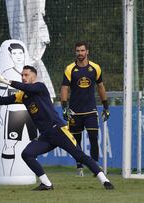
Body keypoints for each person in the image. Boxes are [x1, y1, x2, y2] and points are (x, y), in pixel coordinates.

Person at [0, 65, 114, 190]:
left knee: (80, 156)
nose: (23, 77)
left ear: (34, 76)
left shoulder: (40, 87)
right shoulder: (22, 95)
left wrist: (6, 81)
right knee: (27, 154)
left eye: (26, 75)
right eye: (22, 75)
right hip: (46, 136)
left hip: (58, 130)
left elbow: (28, 88)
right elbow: (2, 101)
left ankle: (105, 180)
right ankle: (46, 183)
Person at [60, 41, 110, 176]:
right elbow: (64, 88)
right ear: (75, 52)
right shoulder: (70, 69)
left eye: (82, 51)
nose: (80, 53)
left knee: (94, 137)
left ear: (87, 51)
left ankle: (95, 167)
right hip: (74, 111)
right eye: (78, 51)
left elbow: (101, 87)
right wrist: (64, 107)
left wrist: (106, 106)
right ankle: (79, 167)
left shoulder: (95, 68)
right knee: (76, 141)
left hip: (91, 110)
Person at [0, 42, 37, 176]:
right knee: (9, 144)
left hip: (31, 114)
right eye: (14, 53)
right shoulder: (6, 73)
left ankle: (33, 175)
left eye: (20, 53)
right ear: (10, 55)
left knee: (35, 143)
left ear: (24, 54)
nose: (18, 56)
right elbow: (0, 97)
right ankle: (7, 175)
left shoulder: (32, 75)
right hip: (13, 113)